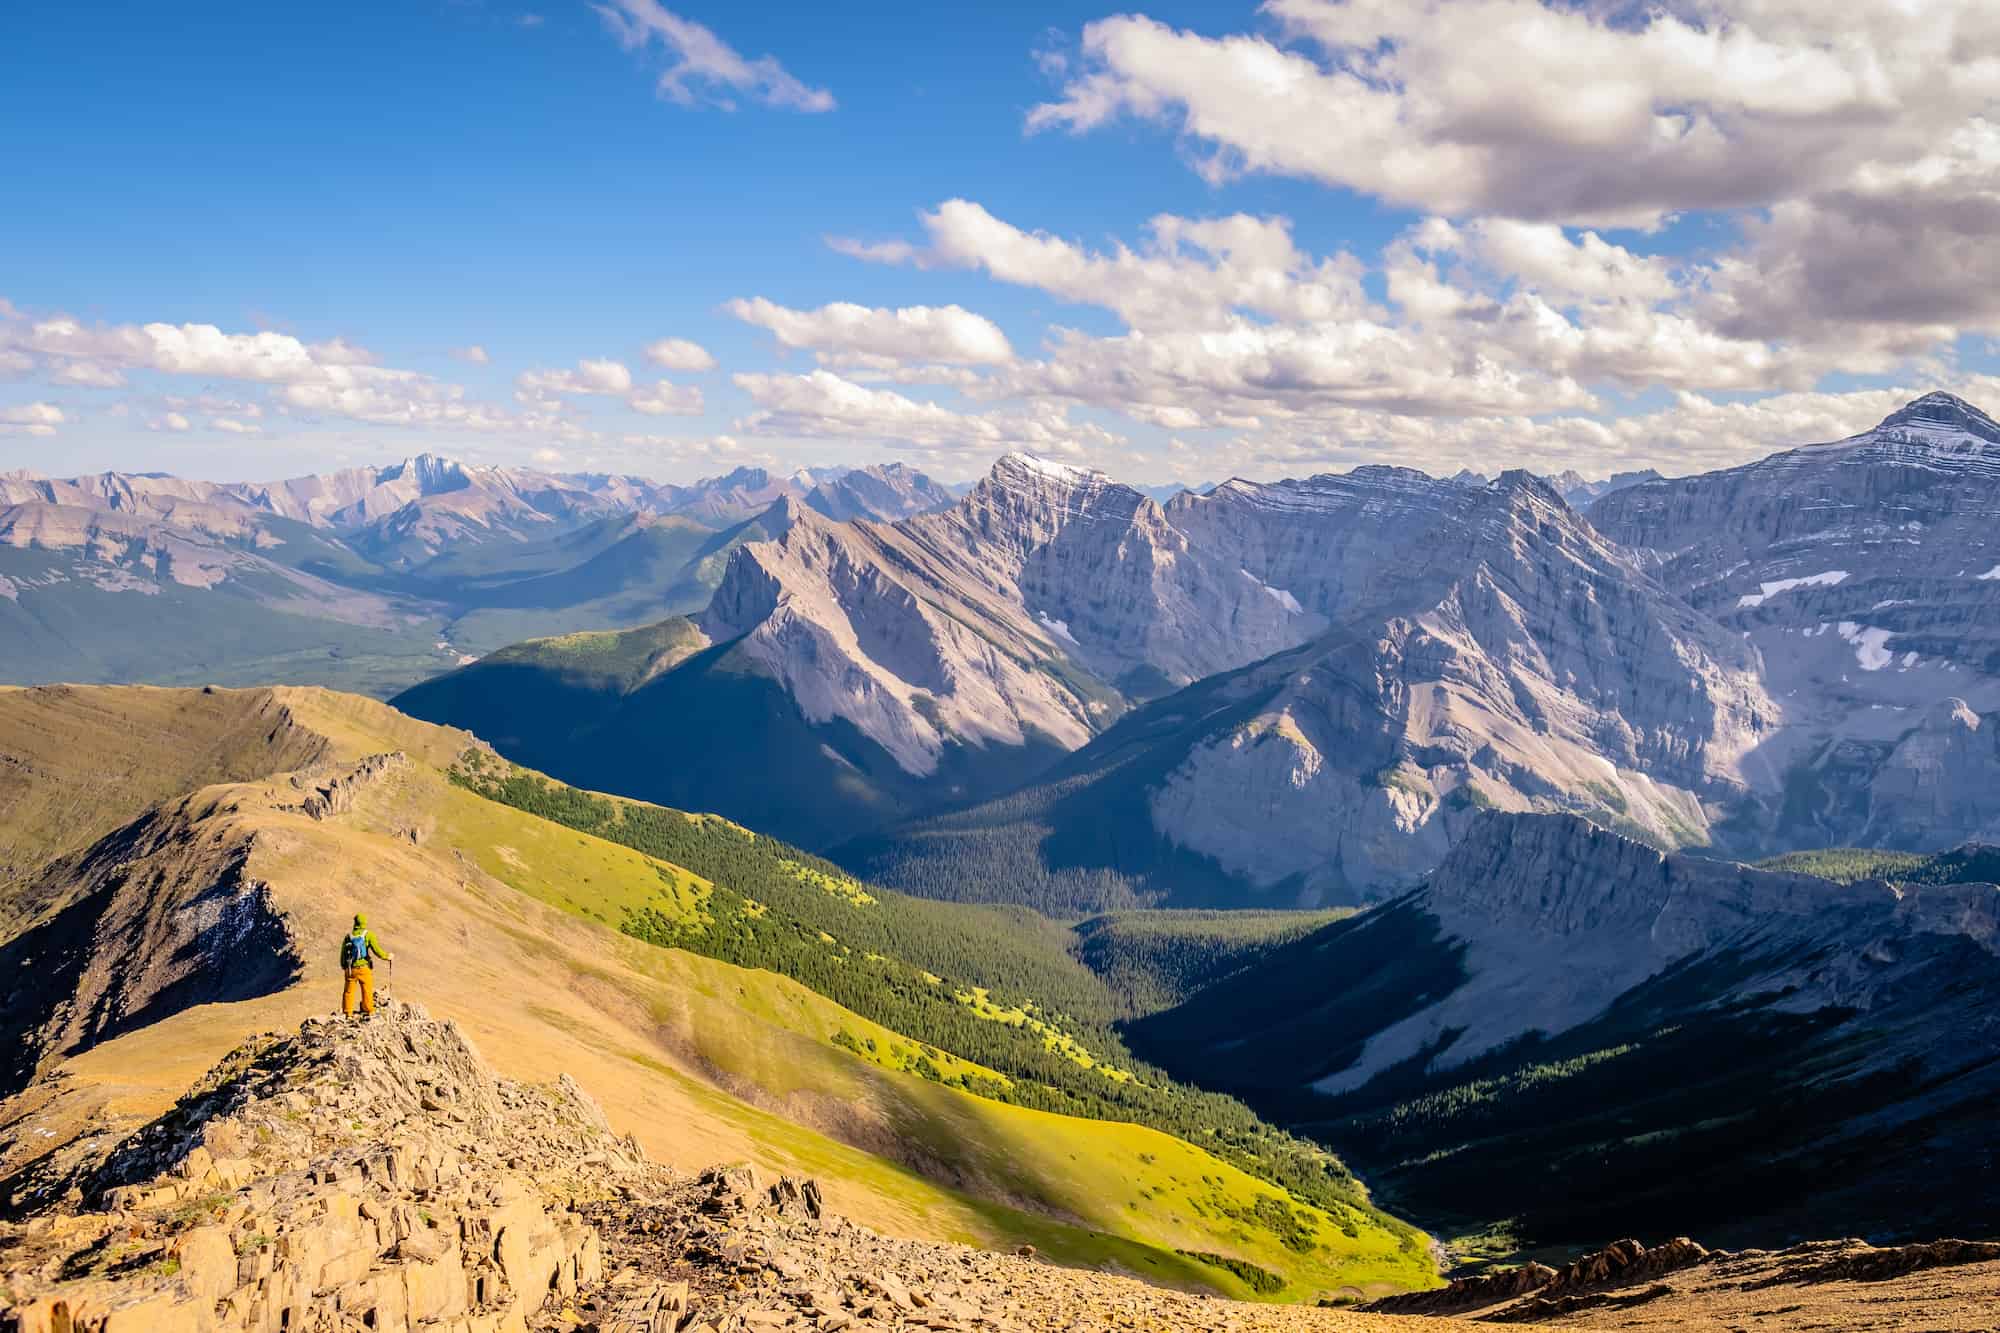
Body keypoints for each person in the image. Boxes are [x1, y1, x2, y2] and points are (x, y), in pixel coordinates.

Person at [340, 912, 395, 1018]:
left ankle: (348, 1013)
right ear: (364, 923)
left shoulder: (348, 937)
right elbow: (377, 950)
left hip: (350, 969)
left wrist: (344, 966)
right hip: (364, 968)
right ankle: (368, 1010)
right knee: (366, 989)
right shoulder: (368, 935)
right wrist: (387, 956)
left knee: (348, 991)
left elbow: (343, 953)